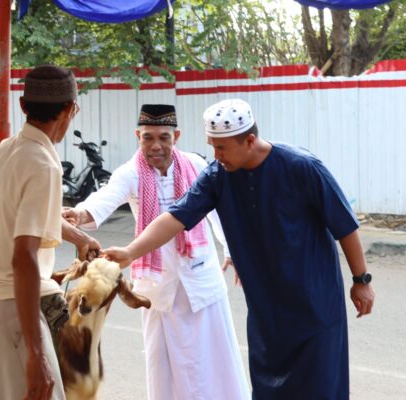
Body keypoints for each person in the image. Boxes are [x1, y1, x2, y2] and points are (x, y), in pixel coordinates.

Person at [103, 98, 376, 399]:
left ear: (249, 140)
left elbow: (345, 227)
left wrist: (361, 281)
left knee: (320, 386)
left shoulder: (302, 167)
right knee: (270, 387)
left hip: (315, 303)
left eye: (221, 147)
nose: (215, 156)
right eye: (212, 147)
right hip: (265, 307)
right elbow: (175, 218)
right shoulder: (218, 175)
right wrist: (131, 252)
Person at [63, 104, 250, 400]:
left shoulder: (196, 166)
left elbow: (221, 214)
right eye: (148, 137)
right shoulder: (131, 173)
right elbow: (105, 198)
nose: (156, 146)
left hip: (201, 281)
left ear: (176, 135)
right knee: (167, 368)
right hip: (159, 288)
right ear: (138, 136)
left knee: (213, 362)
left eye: (163, 137)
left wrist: (233, 251)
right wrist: (78, 213)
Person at [0, 65, 99, 400]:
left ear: (23, 106)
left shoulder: (8, 149)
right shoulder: (44, 163)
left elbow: (30, 218)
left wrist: (80, 238)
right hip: (14, 313)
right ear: (71, 109)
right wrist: (36, 353)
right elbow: (24, 256)